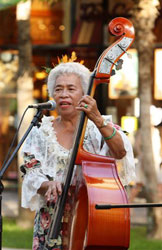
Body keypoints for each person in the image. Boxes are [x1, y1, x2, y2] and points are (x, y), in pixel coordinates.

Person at [20, 61, 136, 250]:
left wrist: (97, 119)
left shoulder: (100, 127)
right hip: (51, 221)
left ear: (84, 93)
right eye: (58, 89)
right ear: (52, 94)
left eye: (71, 89)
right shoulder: (40, 131)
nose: (63, 94)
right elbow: (31, 173)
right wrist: (47, 184)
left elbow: (120, 152)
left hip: (91, 217)